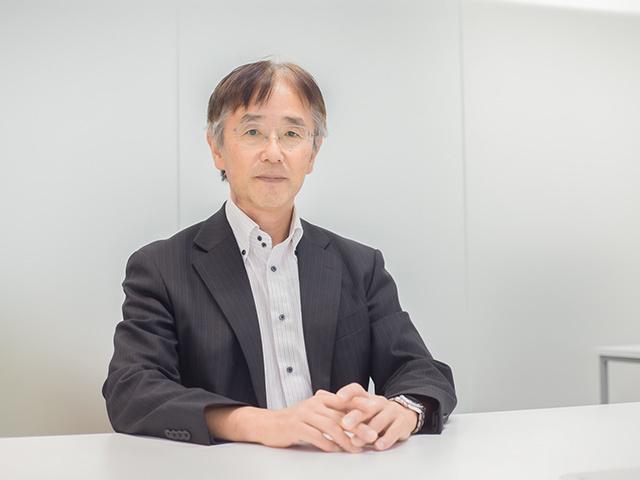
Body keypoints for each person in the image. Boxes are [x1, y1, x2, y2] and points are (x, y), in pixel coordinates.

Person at [102, 60, 456, 453]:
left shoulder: (360, 266)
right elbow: (132, 391)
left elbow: (420, 370)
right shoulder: (162, 268)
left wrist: (404, 410)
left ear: (313, 152)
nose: (273, 153)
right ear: (217, 148)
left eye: (291, 134)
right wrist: (263, 423)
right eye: (252, 132)